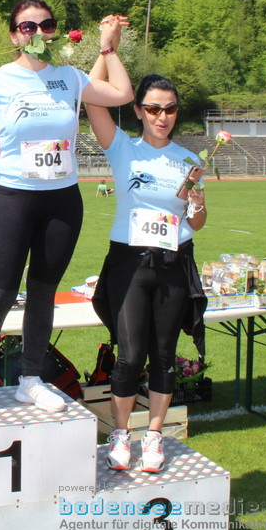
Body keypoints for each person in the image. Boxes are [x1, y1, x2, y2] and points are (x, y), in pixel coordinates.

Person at [0, 2, 134, 421]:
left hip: (62, 202)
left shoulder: (70, 78)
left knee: (43, 292)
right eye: (27, 26)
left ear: (54, 32)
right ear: (14, 34)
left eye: (46, 24)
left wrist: (108, 49)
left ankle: (31, 381)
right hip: (13, 201)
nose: (37, 31)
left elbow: (122, 95)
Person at [85, 70, 208, 473]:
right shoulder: (122, 147)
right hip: (130, 262)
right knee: (130, 355)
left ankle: (154, 436)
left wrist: (199, 204)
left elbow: (196, 222)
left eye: (170, 109)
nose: (162, 116)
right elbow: (90, 97)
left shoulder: (190, 160)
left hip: (174, 262)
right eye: (153, 108)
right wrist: (107, 52)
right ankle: (121, 434)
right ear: (137, 110)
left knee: (165, 356)